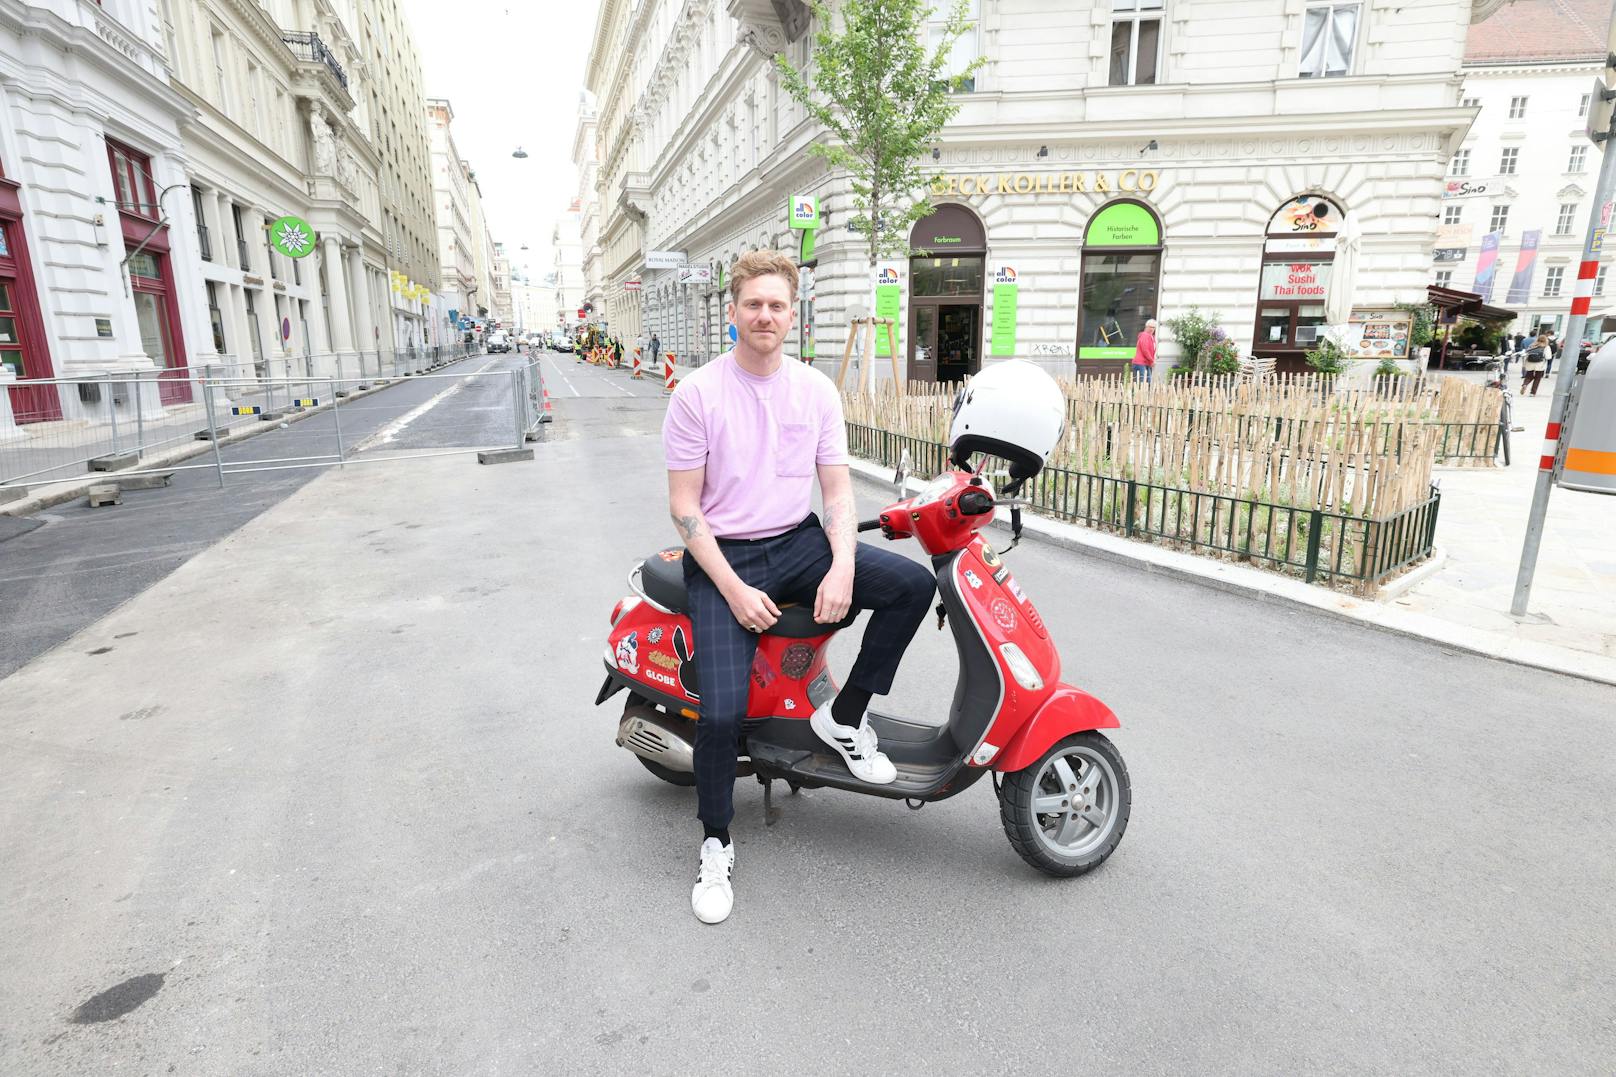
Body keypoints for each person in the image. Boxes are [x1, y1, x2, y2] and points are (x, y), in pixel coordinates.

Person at [663, 250, 936, 925]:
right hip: (721, 553)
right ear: (733, 312)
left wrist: (842, 564)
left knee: (909, 585)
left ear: (793, 315)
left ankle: (842, 718)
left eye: (777, 305)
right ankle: (717, 839)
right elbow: (684, 507)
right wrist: (729, 588)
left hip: (797, 542)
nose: (765, 315)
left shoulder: (815, 390)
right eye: (753, 303)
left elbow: (837, 492)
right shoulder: (697, 393)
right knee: (722, 712)